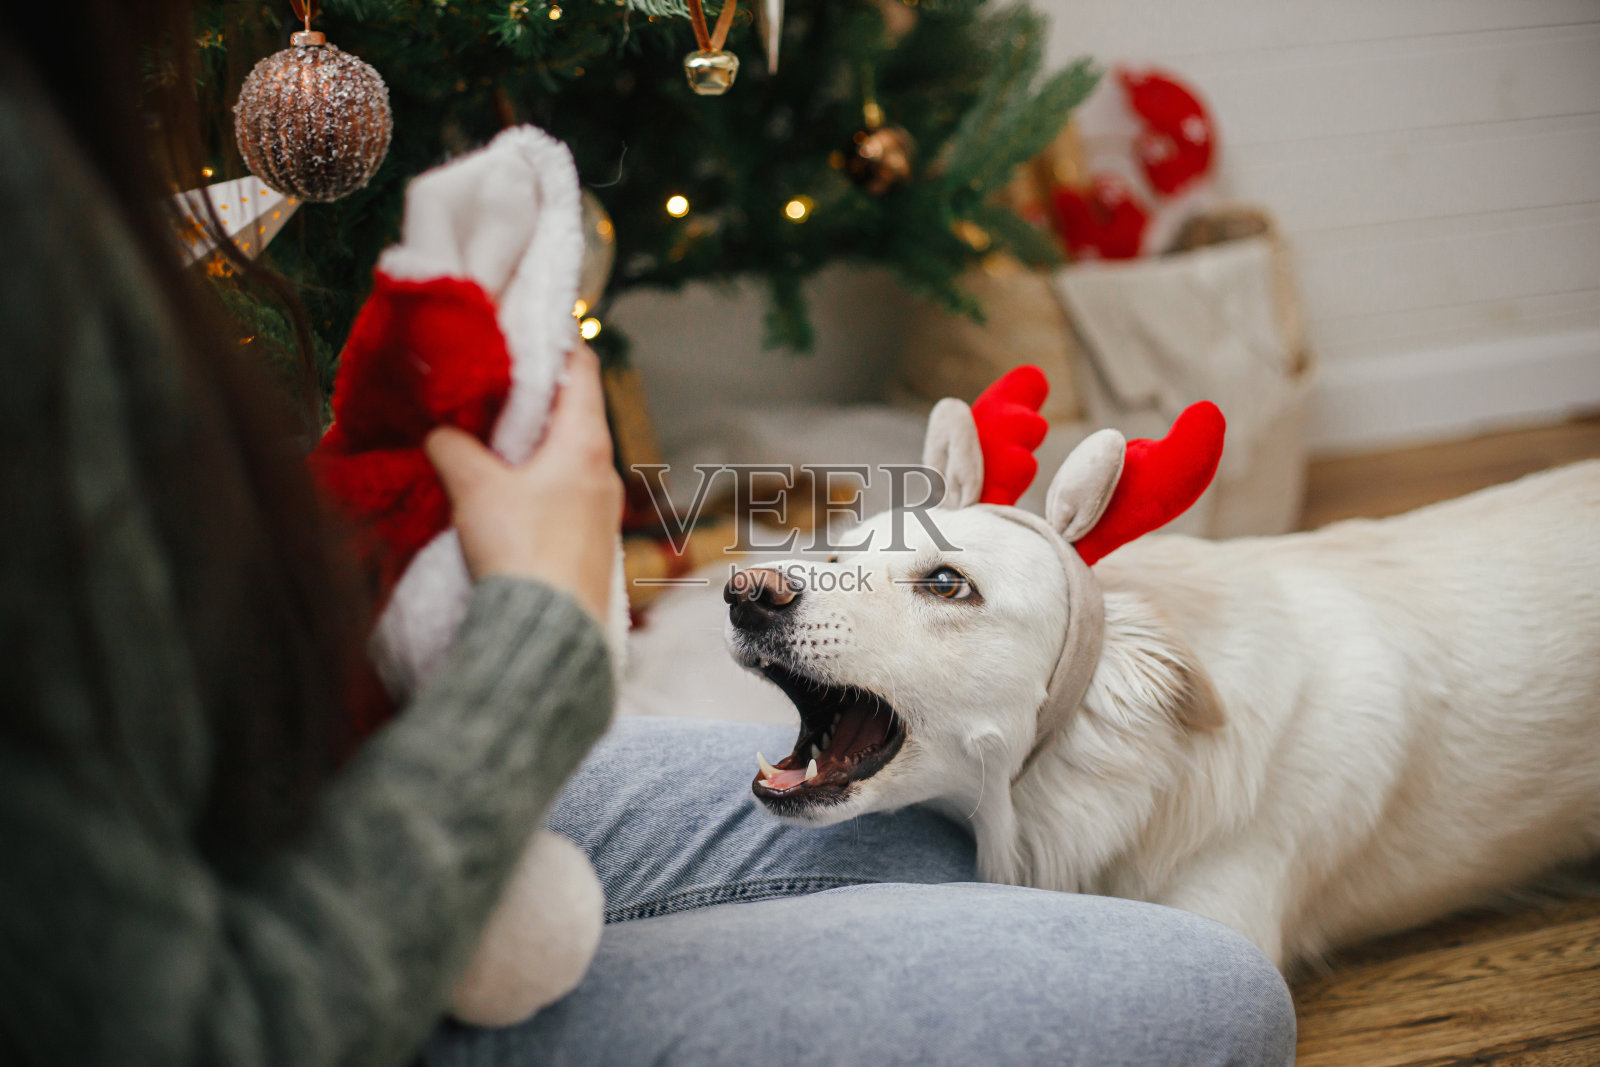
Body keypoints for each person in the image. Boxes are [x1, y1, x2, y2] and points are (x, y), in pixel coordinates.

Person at [0, 4, 1297, 1065]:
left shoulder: (52, 152)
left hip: (272, 798)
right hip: (273, 991)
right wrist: (538, 635)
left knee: (941, 829)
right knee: (1211, 995)